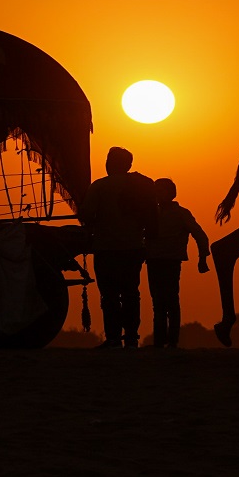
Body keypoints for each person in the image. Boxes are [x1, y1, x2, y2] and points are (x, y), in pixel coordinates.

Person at [80, 147, 157, 349]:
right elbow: (152, 219)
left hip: (106, 248)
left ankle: (113, 338)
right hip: (134, 247)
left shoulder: (100, 186)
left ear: (110, 163)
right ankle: (131, 338)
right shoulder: (142, 186)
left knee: (110, 296)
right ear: (128, 165)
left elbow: (86, 214)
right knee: (131, 293)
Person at [146, 178, 210, 348]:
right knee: (158, 302)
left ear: (171, 193)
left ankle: (172, 341)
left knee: (171, 301)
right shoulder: (152, 213)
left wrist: (202, 258)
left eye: (161, 190)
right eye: (156, 191)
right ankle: (160, 341)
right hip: (153, 261)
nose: (158, 194)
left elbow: (200, 235)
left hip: (171, 261)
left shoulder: (181, 214)